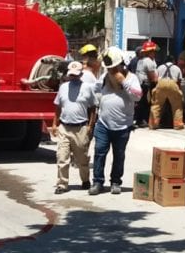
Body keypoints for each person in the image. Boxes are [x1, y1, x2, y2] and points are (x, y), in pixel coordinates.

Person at [89, 47, 142, 196]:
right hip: (103, 124)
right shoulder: (105, 77)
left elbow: (137, 96)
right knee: (99, 152)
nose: (111, 70)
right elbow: (96, 90)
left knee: (119, 155)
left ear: (121, 64)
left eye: (114, 67)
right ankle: (97, 182)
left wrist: (123, 82)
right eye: (109, 67)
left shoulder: (131, 78)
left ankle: (116, 182)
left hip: (123, 125)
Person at [51, 61, 97, 195]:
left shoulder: (87, 88)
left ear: (81, 75)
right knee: (62, 157)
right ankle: (62, 184)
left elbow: (93, 108)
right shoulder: (63, 87)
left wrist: (90, 125)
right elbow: (58, 107)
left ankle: (85, 180)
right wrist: (54, 124)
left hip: (81, 128)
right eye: (71, 75)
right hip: (64, 127)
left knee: (82, 159)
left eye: (76, 75)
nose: (74, 77)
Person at [151, 55, 185, 129]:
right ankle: (178, 125)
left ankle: (153, 124)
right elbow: (180, 81)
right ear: (173, 61)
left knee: (156, 105)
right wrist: (180, 92)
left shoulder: (159, 67)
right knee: (177, 106)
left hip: (161, 83)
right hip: (173, 83)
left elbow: (155, 79)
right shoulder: (177, 68)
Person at [135, 41, 158, 128]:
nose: (154, 53)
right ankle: (144, 120)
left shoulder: (141, 60)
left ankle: (139, 120)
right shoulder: (148, 61)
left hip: (140, 85)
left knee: (141, 103)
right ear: (149, 52)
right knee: (146, 103)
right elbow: (152, 77)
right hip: (146, 85)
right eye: (153, 51)